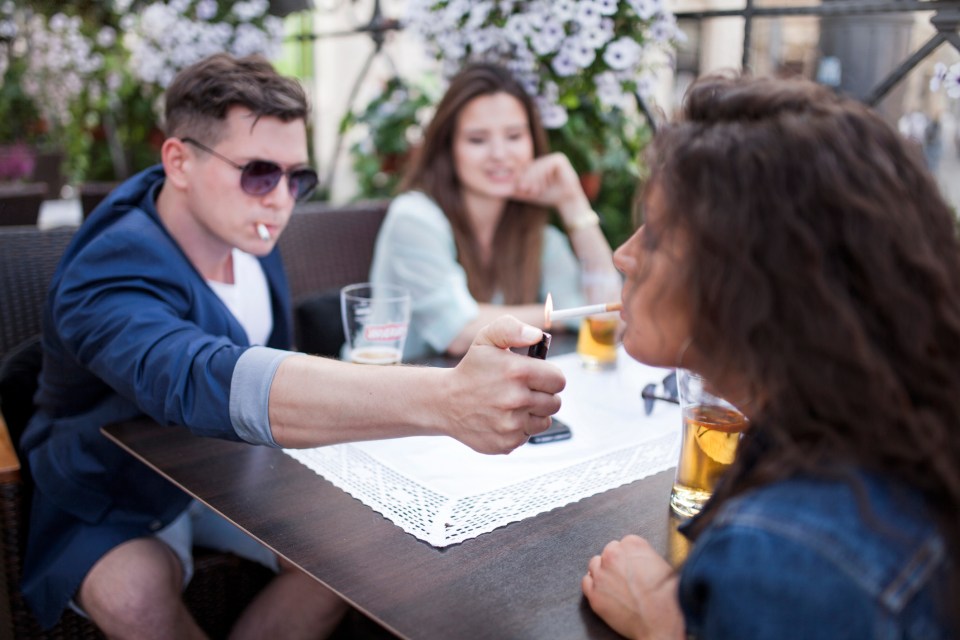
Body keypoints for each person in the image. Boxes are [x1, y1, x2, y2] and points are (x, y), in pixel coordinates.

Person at [19, 53, 565, 638]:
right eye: (258, 172)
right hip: (109, 485)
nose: (281, 198)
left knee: (358, 554)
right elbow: (198, 376)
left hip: (226, 467)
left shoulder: (246, 226)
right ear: (177, 160)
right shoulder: (109, 266)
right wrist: (446, 398)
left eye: (296, 177)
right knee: (135, 594)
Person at [582, 75, 959, 638]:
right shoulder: (898, 430)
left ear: (756, 281)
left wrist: (662, 623)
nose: (624, 254)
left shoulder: (787, 557)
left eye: (657, 237)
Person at [369, 62, 618, 360]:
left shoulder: (535, 235)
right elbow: (458, 331)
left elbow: (606, 316)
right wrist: (558, 314)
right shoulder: (414, 217)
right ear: (448, 149)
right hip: (387, 393)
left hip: (481, 396)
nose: (500, 154)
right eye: (477, 139)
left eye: (514, 136)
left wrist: (572, 203)